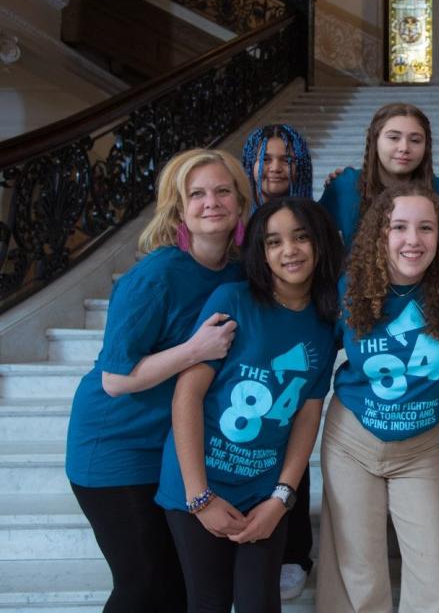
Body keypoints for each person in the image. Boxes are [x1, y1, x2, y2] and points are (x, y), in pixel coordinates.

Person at [65, 148, 252, 612]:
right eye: (197, 194)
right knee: (145, 586)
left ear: (240, 201)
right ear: (179, 208)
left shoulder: (239, 272)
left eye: (222, 190)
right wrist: (194, 350)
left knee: (179, 589)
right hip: (116, 446)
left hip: (174, 449)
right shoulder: (153, 277)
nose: (212, 202)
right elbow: (115, 379)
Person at [155, 197, 342, 612]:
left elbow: (308, 414)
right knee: (210, 602)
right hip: (198, 483)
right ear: (259, 251)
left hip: (262, 491)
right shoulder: (232, 300)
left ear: (320, 243)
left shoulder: (327, 320)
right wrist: (199, 496)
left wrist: (281, 498)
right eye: (273, 242)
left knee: (261, 604)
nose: (288, 250)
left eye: (300, 237)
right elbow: (188, 394)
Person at [315, 183, 439, 613]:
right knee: (360, 573)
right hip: (352, 443)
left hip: (419, 451)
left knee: (433, 572)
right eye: (399, 227)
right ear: (380, 235)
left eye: (426, 228)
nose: (413, 240)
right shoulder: (349, 288)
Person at [241, 123, 318, 598]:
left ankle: (294, 550)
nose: (275, 167)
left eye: (285, 159)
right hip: (247, 340)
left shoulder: (311, 213)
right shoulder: (237, 217)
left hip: (293, 336)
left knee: (292, 439)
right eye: (266, 158)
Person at [319, 102, 439, 250]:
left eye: (415, 140)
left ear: (426, 146)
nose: (404, 148)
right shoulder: (345, 185)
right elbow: (318, 242)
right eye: (394, 138)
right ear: (375, 141)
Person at [241, 124, 314, 206]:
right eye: (265, 159)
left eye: (287, 160)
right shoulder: (233, 215)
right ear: (250, 165)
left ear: (300, 167)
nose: (275, 168)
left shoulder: (315, 216)